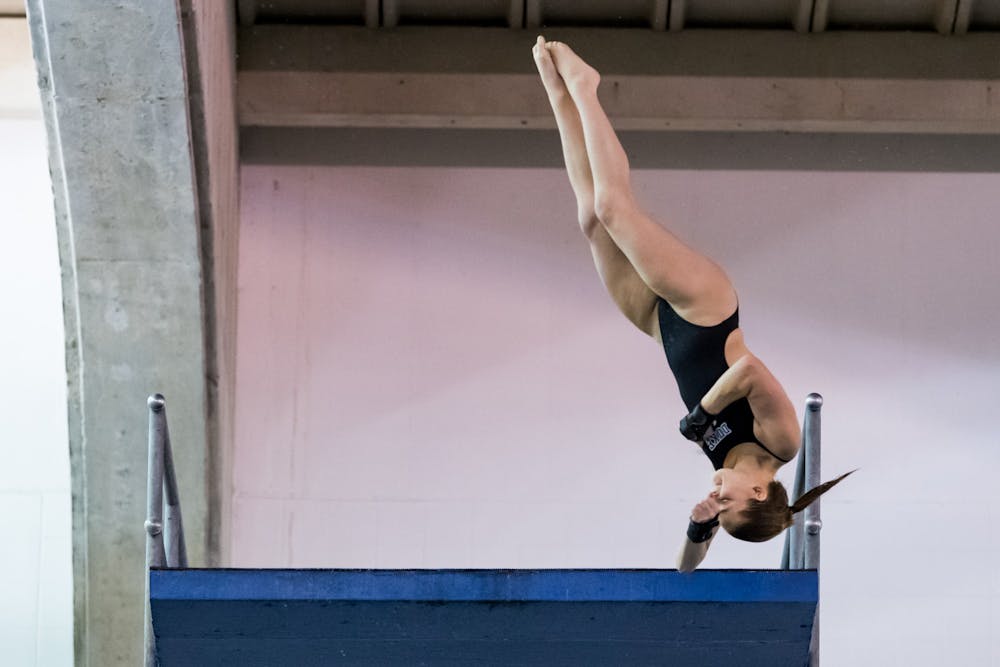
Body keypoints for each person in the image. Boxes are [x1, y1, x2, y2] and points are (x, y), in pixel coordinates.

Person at [531, 36, 852, 571]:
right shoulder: (782, 442)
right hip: (705, 310)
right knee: (615, 207)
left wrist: (700, 523)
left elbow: (686, 570)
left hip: (662, 329)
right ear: (757, 494)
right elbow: (749, 371)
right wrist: (702, 414)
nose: (715, 491)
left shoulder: (727, 473)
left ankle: (556, 91)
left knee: (590, 218)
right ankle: (586, 87)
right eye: (725, 501)